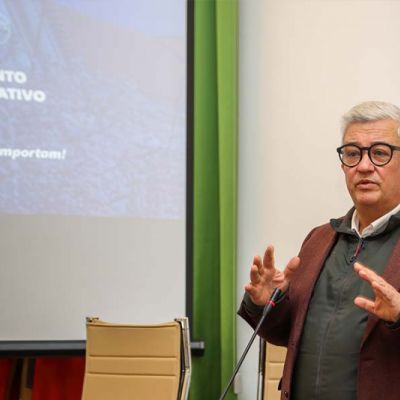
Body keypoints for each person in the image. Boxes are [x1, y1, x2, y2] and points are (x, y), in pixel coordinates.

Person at [238, 101, 400, 400]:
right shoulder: (320, 238)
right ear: (343, 165)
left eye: (379, 153)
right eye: (352, 153)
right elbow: (288, 333)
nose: (364, 166)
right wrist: (267, 303)